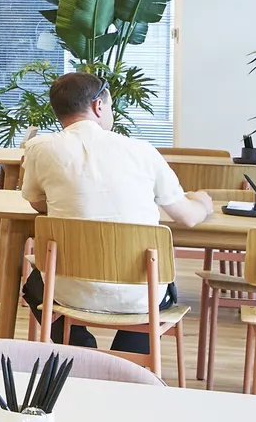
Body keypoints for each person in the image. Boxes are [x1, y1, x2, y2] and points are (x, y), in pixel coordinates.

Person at [17, 71, 214, 352]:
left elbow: (37, 202)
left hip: (68, 293)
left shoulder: (41, 150)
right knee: (156, 287)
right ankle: (124, 361)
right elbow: (188, 217)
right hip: (139, 296)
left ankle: (82, 350)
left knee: (35, 283)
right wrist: (203, 201)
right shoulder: (142, 151)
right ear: (98, 106)